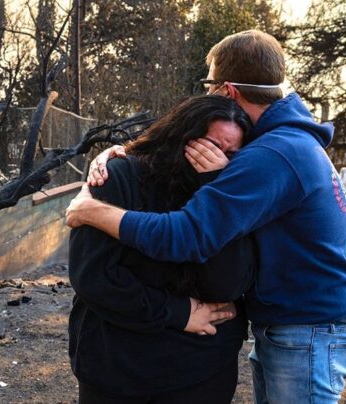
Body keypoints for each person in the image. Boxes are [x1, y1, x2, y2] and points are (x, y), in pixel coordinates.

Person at [66, 30, 346, 404]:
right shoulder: (279, 141)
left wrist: (93, 211)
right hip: (296, 325)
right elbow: (172, 140)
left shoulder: (273, 154)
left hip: (306, 330)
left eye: (209, 86)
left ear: (228, 90)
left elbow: (188, 234)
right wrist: (120, 153)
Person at [69, 95, 255, 403]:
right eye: (210, 146)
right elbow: (93, 277)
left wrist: (216, 188)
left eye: (230, 154)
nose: (217, 158)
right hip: (118, 369)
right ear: (182, 135)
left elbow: (227, 284)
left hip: (202, 370)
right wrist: (178, 312)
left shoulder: (232, 192)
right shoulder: (118, 176)